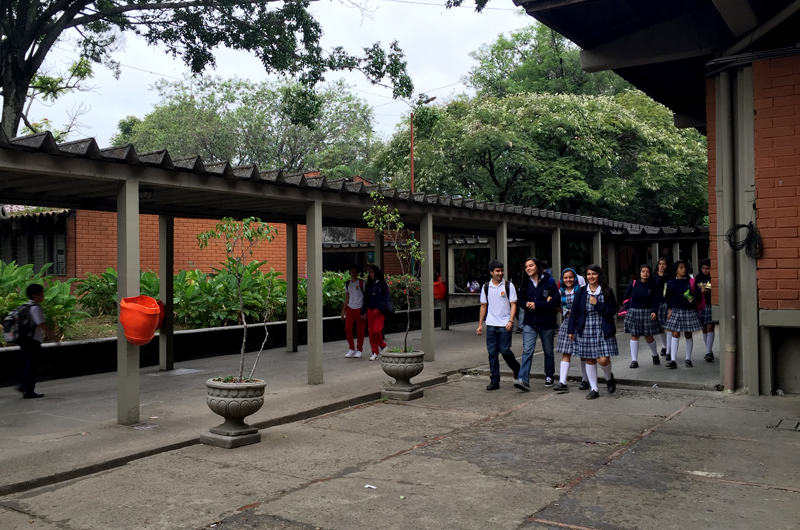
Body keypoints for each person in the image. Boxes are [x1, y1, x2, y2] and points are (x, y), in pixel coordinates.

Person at [568, 264, 619, 399]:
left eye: (594, 274)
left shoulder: (607, 290)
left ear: (599, 275)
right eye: (589, 274)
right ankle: (594, 389)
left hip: (603, 327)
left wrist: (598, 304)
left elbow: (613, 311)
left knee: (603, 359)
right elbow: (575, 312)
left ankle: (608, 377)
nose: (591, 277)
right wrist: (571, 330)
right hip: (586, 327)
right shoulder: (581, 291)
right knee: (590, 359)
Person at [514, 257, 560, 391]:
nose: (528, 268)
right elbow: (520, 300)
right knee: (527, 350)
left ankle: (549, 375)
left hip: (547, 322)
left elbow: (555, 302)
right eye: (526, 266)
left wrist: (538, 305)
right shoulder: (525, 283)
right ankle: (523, 379)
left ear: (537, 267)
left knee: (548, 351)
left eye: (531, 265)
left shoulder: (549, 281)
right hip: (529, 322)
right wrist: (526, 304)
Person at [476, 260, 521, 391]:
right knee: (492, 353)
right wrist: (480, 324)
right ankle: (495, 380)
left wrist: (511, 321)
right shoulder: (486, 287)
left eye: (502, 270)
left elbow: (513, 304)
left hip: (505, 324)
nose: (500, 273)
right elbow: (483, 306)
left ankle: (517, 369)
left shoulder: (508, 286)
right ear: (491, 272)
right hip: (491, 324)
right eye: (497, 271)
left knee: (505, 350)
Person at [16, 283, 58, 399]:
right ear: (35, 295)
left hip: (24, 339)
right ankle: (29, 390)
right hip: (33, 341)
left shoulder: (26, 306)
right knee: (32, 366)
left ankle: (24, 385)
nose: (43, 296)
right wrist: (53, 336)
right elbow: (41, 324)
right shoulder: (36, 308)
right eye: (41, 294)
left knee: (28, 363)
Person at [553, 268, 589, 392]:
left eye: (571, 277)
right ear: (562, 279)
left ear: (575, 279)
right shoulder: (560, 292)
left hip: (580, 323)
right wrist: (564, 312)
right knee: (566, 352)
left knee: (583, 353)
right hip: (567, 323)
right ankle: (562, 381)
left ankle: (585, 379)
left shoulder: (580, 291)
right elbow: (556, 304)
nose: (568, 280)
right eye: (566, 277)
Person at [663, 260, 703, 368]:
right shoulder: (671, 283)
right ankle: (673, 360)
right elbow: (667, 297)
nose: (683, 269)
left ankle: (688, 359)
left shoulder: (691, 282)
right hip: (676, 310)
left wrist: (692, 297)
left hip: (689, 310)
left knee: (688, 334)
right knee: (675, 333)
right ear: (676, 270)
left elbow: (699, 297)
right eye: (681, 267)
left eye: (684, 267)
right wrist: (670, 308)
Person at [622, 264, 662, 368]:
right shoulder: (633, 284)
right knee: (634, 336)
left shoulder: (652, 285)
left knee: (648, 337)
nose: (645, 273)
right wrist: (627, 308)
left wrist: (654, 311)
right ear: (639, 273)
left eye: (647, 271)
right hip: (634, 312)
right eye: (643, 271)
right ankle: (634, 360)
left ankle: (654, 354)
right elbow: (625, 297)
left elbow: (656, 300)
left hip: (648, 312)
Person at [363, 265, 390, 361]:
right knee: (371, 333)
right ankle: (374, 352)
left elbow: (386, 298)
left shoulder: (382, 284)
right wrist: (364, 311)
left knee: (376, 331)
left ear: (376, 273)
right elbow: (366, 299)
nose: (371, 274)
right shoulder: (369, 285)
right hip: (370, 310)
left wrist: (380, 308)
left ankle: (383, 346)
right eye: (370, 272)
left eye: (372, 272)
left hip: (379, 311)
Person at [341, 266, 366, 359]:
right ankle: (351, 348)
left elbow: (366, 297)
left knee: (360, 331)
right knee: (347, 328)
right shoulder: (348, 284)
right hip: (350, 309)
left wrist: (365, 311)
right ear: (350, 273)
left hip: (360, 308)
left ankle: (359, 350)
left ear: (358, 273)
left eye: (356, 272)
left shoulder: (362, 283)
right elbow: (347, 297)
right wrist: (343, 311)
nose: (354, 273)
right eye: (352, 272)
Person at [695, 259, 715, 362]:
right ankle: (708, 350)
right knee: (704, 326)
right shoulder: (698, 277)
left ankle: (708, 352)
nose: (705, 271)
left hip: (710, 303)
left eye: (707, 268)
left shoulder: (713, 277)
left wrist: (702, 288)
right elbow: (698, 289)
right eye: (703, 268)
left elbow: (705, 290)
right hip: (701, 304)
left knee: (710, 325)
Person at [653, 258, 671, 359]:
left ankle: (668, 349)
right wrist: (660, 277)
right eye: (660, 264)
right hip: (658, 303)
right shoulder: (655, 276)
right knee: (660, 327)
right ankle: (664, 346)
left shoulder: (669, 277)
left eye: (664, 264)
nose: (662, 266)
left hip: (667, 303)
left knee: (668, 327)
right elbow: (655, 288)